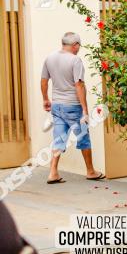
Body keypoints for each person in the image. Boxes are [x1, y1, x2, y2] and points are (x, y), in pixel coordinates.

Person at [40, 32, 105, 184]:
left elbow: (44, 81)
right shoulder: (75, 60)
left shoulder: (50, 58)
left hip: (57, 105)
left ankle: (53, 173)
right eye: (79, 46)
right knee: (83, 137)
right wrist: (85, 111)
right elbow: (79, 85)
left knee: (58, 138)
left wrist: (45, 99)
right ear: (75, 45)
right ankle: (90, 171)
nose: (79, 49)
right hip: (73, 106)